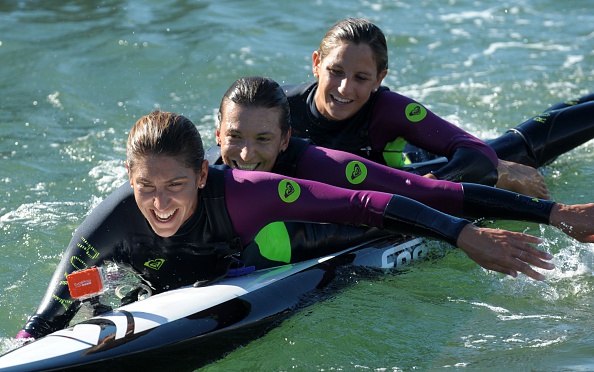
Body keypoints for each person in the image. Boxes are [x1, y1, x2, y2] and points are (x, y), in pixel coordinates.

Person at [16, 110, 553, 340]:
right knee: (92, 286)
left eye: (175, 185)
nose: (159, 203)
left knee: (396, 208)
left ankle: (492, 164)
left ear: (203, 175)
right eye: (145, 187)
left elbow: (364, 203)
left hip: (259, 254)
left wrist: (464, 233)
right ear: (127, 179)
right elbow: (55, 303)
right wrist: (29, 337)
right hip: (155, 276)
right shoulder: (110, 225)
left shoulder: (248, 195)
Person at [208, 75, 594, 267]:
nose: (245, 153)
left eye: (262, 139)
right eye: (235, 137)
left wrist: (553, 213)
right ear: (218, 134)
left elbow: (422, 193)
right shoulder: (194, 180)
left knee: (498, 155)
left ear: (284, 138)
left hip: (386, 182)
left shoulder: (317, 163)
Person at [283, 18, 594, 199]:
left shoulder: (387, 110)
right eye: (336, 71)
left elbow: (475, 153)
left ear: (379, 79)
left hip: (413, 170)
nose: (344, 88)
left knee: (508, 153)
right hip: (406, 160)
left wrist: (430, 187)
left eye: (361, 78)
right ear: (316, 64)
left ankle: (503, 172)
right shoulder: (279, 108)